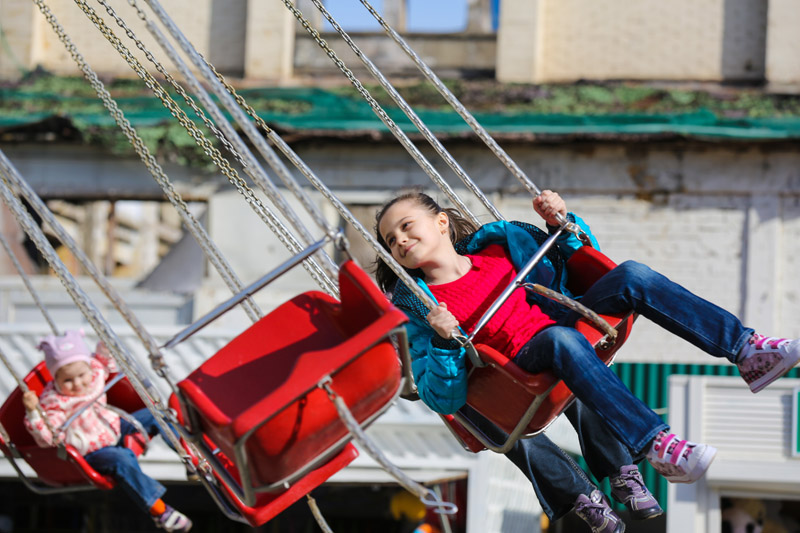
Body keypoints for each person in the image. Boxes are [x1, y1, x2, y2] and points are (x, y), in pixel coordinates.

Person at [374, 190, 800, 529]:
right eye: (392, 241)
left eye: (407, 227)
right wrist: (447, 341)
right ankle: (657, 445)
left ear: (442, 222)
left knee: (632, 274)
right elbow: (439, 396)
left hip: (563, 316)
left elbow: (575, 257)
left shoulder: (503, 246)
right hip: (520, 364)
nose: (401, 241)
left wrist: (561, 223)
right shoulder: (422, 310)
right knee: (561, 341)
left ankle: (747, 350)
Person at [22, 329, 193, 533]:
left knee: (156, 414)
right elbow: (47, 438)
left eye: (81, 375)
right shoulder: (55, 403)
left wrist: (105, 343)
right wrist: (33, 412)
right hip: (92, 452)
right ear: (56, 380)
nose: (78, 384)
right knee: (121, 459)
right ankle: (160, 511)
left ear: (88, 368)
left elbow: (103, 362)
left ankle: (189, 457)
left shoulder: (94, 373)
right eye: (68, 381)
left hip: (113, 428)